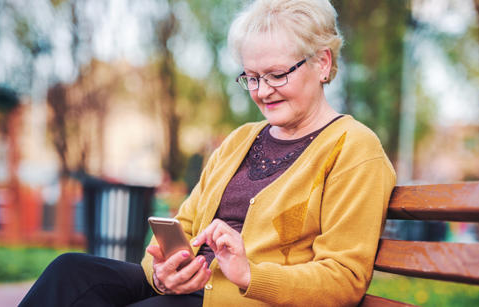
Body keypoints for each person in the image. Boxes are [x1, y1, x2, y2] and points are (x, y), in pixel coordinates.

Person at [20, 0, 396, 306]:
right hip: (192, 290)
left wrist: (250, 273)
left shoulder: (353, 148)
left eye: (277, 74)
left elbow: (344, 279)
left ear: (322, 63)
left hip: (246, 299)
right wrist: (163, 276)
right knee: (70, 272)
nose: (262, 91)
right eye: (251, 77)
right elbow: (182, 228)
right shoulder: (239, 141)